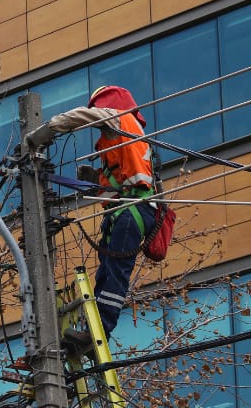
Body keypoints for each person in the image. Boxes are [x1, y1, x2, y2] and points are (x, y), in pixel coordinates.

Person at [25, 85, 157, 340]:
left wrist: (49, 128)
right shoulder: (128, 138)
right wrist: (95, 179)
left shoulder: (120, 119)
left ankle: (101, 330)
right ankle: (90, 329)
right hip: (125, 211)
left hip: (132, 211)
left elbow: (83, 117)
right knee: (106, 273)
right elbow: (123, 181)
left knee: (115, 272)